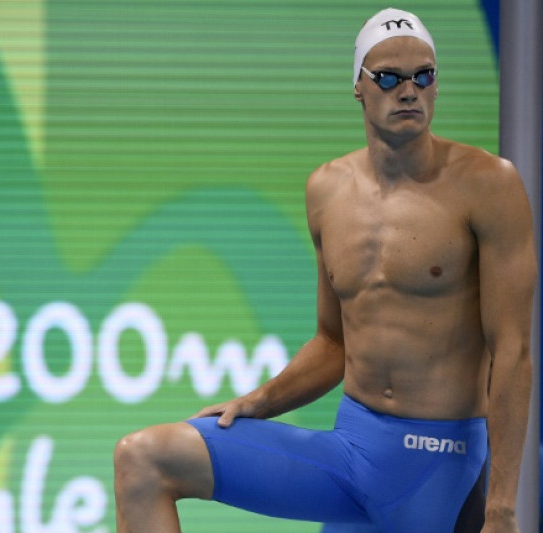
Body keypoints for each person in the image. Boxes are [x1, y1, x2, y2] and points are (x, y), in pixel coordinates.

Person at [113, 8, 536, 533]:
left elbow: (513, 354)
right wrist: (259, 401)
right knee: (143, 458)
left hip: (437, 465)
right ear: (358, 86)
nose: (409, 91)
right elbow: (333, 343)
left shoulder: (489, 185)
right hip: (351, 453)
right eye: (389, 77)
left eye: (423, 76)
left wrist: (501, 509)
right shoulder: (327, 190)